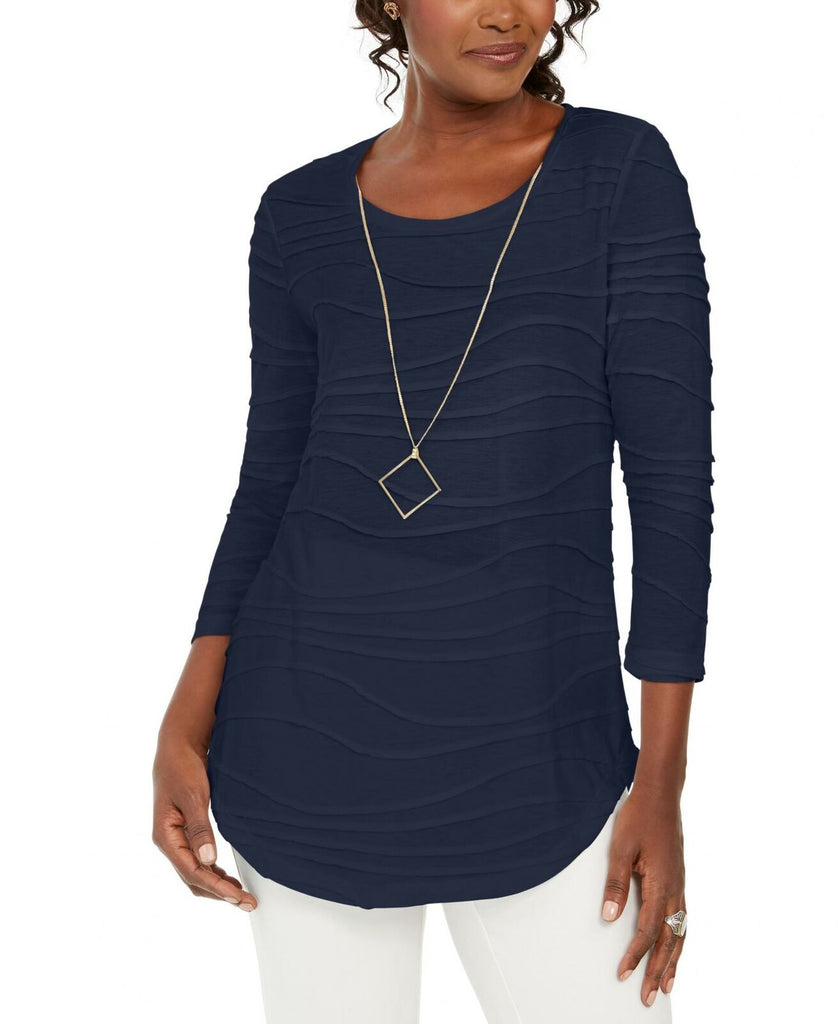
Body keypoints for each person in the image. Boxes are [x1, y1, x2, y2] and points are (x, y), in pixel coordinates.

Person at [152, 2, 713, 1021]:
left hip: (548, 753)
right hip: (299, 741)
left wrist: (662, 784)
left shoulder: (618, 172)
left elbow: (671, 486)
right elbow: (270, 479)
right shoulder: (300, 212)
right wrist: (184, 721)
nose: (506, 13)